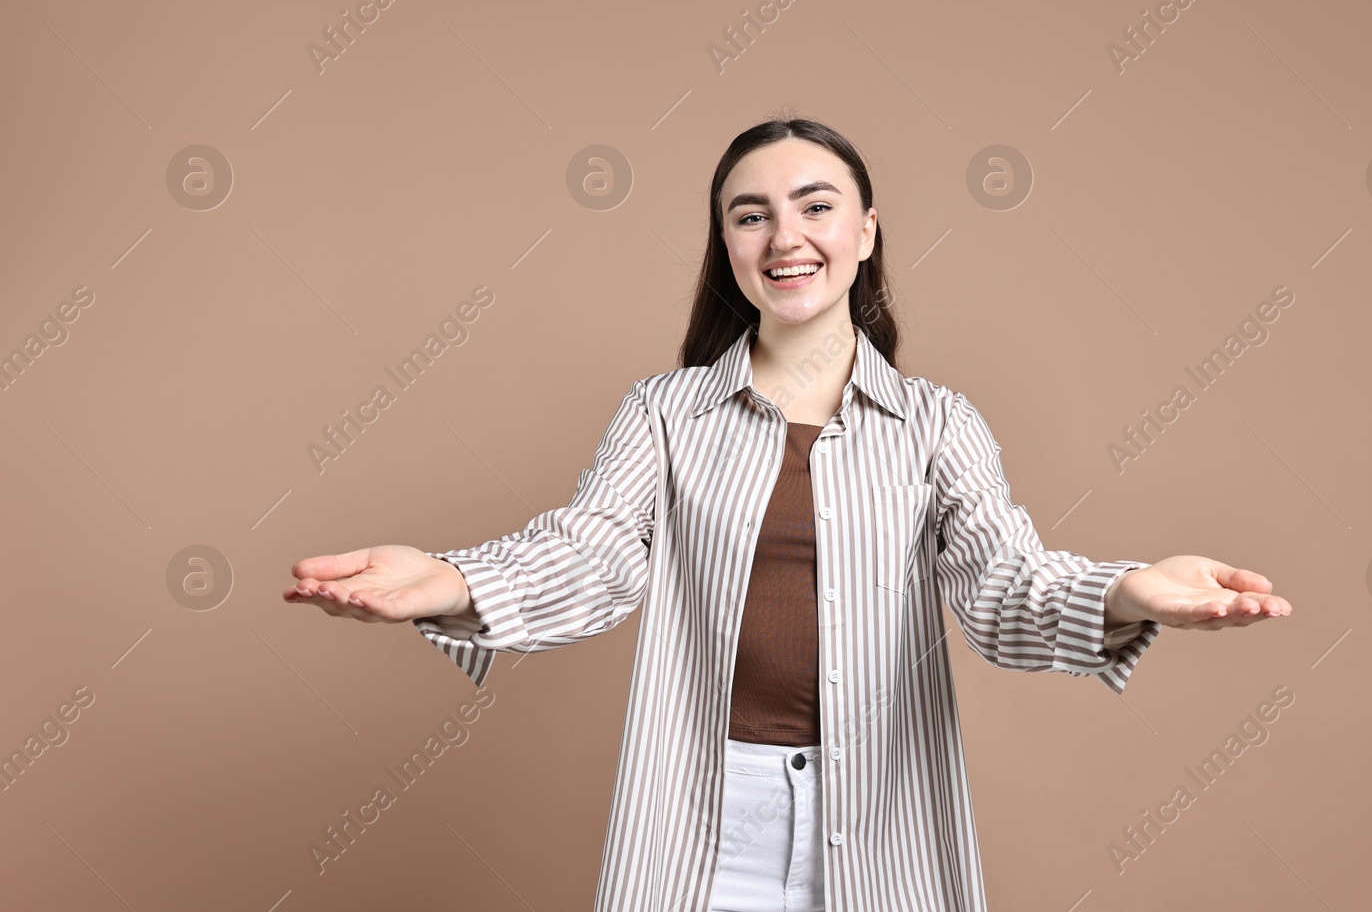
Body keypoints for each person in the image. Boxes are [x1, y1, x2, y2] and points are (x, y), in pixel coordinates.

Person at [284, 116, 1293, 912]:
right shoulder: (664, 412)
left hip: (881, 812)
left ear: (865, 231)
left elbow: (1000, 585)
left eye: (815, 205)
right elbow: (593, 551)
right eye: (749, 213)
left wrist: (1125, 589)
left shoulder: (938, 423)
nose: (784, 235)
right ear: (726, 244)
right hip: (700, 813)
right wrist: (454, 579)